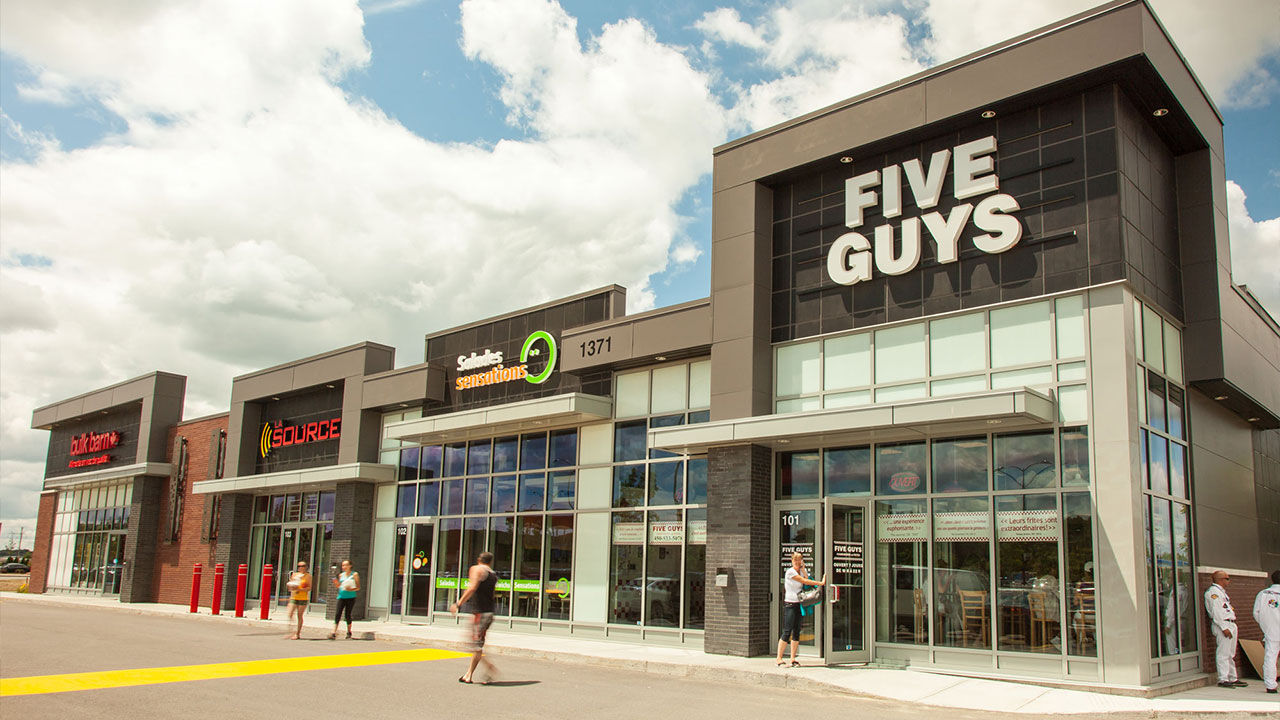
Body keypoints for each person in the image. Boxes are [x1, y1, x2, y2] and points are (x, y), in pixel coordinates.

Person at [451, 551, 498, 684]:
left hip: (480, 613)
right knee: (473, 644)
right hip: (487, 612)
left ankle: (486, 669)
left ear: (479, 560)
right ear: (490, 561)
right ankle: (469, 674)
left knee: (475, 645)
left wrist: (458, 603)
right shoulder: (493, 575)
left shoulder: (477, 569)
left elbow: (472, 587)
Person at [775, 552, 826, 668]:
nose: (797, 563)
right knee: (787, 631)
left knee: (797, 631)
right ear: (792, 561)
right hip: (790, 604)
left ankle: (793, 658)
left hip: (799, 604)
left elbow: (807, 578)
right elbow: (805, 582)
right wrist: (820, 583)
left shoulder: (801, 571)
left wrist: (803, 569)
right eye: (795, 560)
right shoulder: (790, 572)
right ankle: (779, 657)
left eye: (799, 560)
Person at [1204, 570, 1246, 688]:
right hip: (1223, 625)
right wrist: (1223, 627)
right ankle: (1223, 678)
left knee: (1230, 653)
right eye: (1227, 578)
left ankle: (1232, 677)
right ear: (1220, 580)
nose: (1229, 581)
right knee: (1223, 652)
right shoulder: (1214, 593)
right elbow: (1216, 612)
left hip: (1231, 623)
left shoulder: (1222, 593)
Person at [1252, 569, 1280, 694]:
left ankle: (1270, 686)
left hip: (1271, 631)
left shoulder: (1262, 594)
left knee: (1270, 657)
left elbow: (1256, 613)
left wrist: (1265, 626)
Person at [330, 559, 360, 640]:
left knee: (347, 614)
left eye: (346, 565)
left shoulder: (354, 574)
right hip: (341, 596)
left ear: (350, 566)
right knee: (337, 614)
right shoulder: (341, 575)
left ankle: (349, 632)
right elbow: (339, 586)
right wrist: (335, 582)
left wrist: (351, 589)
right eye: (343, 565)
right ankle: (333, 632)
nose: (344, 567)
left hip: (350, 597)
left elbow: (358, 587)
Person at [285, 560, 312, 640]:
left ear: (306, 567)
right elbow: (290, 584)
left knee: (299, 615)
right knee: (290, 614)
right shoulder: (295, 575)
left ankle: (297, 633)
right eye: (299, 566)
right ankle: (291, 631)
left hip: (302, 598)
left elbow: (309, 588)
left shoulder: (308, 576)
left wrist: (300, 589)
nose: (300, 568)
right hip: (294, 597)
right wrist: (291, 587)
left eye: (302, 566)